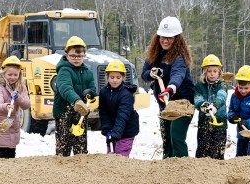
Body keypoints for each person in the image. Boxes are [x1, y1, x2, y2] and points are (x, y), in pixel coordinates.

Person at [141, 16, 195, 158]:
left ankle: (181, 168)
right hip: (164, 103)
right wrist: (152, 74)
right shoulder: (154, 54)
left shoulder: (179, 56)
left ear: (176, 39)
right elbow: (144, 74)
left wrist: (170, 89)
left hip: (181, 102)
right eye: (162, 37)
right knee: (167, 140)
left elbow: (178, 74)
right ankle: (166, 171)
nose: (165, 41)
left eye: (169, 38)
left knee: (176, 137)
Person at [53, 36, 98, 156]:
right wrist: (77, 100)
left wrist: (90, 93)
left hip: (81, 114)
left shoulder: (87, 72)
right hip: (64, 112)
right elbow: (65, 88)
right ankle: (62, 169)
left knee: (81, 146)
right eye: (73, 56)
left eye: (79, 56)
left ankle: (81, 170)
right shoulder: (64, 71)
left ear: (84, 56)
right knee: (64, 146)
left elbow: (93, 89)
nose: (76, 59)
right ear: (67, 55)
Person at [0, 56, 31, 158]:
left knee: (12, 157)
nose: (13, 77)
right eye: (9, 74)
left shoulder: (21, 87)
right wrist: (6, 106)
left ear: (19, 74)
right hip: (1, 126)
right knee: (2, 157)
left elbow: (26, 105)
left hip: (13, 126)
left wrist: (18, 97)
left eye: (15, 75)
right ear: (3, 74)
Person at [98, 59, 140, 157]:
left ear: (123, 77)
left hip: (126, 131)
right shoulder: (104, 92)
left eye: (118, 77)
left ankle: (123, 172)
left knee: (120, 156)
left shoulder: (126, 94)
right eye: (112, 77)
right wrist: (106, 127)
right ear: (107, 77)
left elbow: (123, 115)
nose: (115, 80)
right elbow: (103, 112)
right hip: (112, 130)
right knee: (111, 155)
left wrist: (116, 134)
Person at [193, 54, 229, 160]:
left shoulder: (222, 84)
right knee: (202, 152)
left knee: (218, 152)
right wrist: (203, 105)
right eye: (209, 71)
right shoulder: (200, 85)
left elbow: (222, 95)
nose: (212, 74)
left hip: (220, 124)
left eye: (215, 71)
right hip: (204, 124)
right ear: (204, 72)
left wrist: (215, 106)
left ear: (219, 72)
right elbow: (197, 98)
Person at [227, 65, 250, 157]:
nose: (243, 91)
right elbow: (231, 110)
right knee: (240, 155)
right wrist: (231, 116)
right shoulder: (234, 96)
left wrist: (247, 123)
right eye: (240, 88)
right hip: (241, 131)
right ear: (237, 85)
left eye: (246, 88)